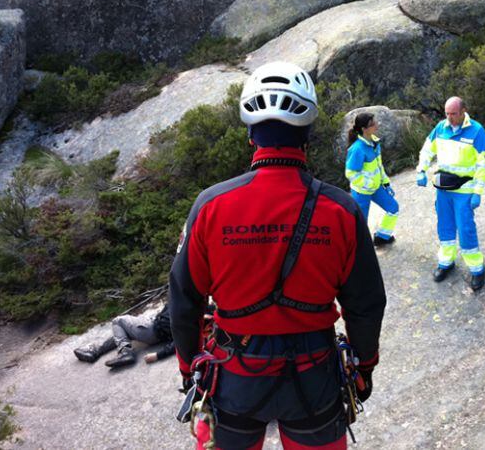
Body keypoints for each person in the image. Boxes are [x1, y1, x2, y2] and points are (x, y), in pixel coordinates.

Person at [169, 61, 386, 450]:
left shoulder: (211, 206)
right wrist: (363, 366)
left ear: (251, 134)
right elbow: (366, 303)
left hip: (234, 374)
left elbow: (184, 299)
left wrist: (189, 369)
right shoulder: (341, 210)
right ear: (307, 133)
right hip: (315, 374)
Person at [416, 96, 485, 291]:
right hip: (444, 190)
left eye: (454, 114)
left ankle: (477, 269)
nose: (450, 118)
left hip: (464, 190)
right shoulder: (441, 128)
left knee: (465, 229)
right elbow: (427, 150)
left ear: (464, 111)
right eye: (447, 114)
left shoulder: (477, 132)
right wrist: (421, 170)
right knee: (445, 227)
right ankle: (446, 262)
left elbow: (483, 165)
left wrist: (478, 192)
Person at [345, 112, 399, 246]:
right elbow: (350, 173)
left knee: (393, 208)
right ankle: (359, 251)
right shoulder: (357, 148)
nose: (377, 125)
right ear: (364, 129)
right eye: (373, 124)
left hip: (376, 188)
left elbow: (378, 166)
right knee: (361, 225)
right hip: (361, 192)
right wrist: (368, 184)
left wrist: (385, 182)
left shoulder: (375, 142)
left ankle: (382, 237)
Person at [73, 303, 174, 367]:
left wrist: (158, 355)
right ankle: (96, 351)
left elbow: (184, 341)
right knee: (123, 332)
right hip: (158, 332)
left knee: (118, 321)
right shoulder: (186, 302)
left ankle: (126, 353)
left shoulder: (182, 303)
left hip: (152, 330)